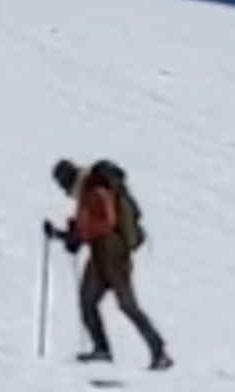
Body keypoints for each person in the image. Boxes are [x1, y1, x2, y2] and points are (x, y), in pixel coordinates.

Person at [51, 158, 167, 370]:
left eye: (62, 184)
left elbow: (104, 223)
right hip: (102, 255)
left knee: (124, 305)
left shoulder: (94, 190)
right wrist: (64, 235)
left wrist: (75, 236)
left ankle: (158, 350)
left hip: (112, 254)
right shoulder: (87, 190)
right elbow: (89, 226)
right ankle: (103, 350)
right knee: (89, 300)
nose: (63, 189)